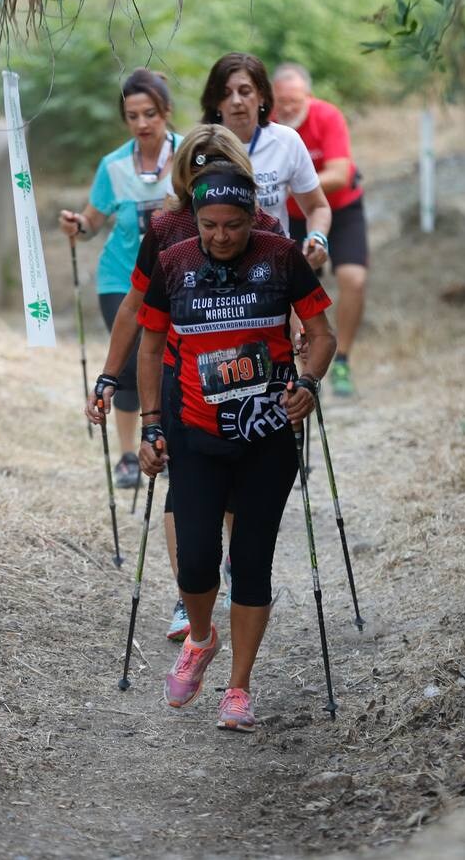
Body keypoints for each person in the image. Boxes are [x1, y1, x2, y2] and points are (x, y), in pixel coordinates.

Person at [135, 164, 336, 732]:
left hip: (266, 436)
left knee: (252, 562)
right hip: (196, 433)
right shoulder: (174, 263)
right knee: (195, 562)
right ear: (194, 219)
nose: (221, 236)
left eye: (233, 225)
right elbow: (150, 349)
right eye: (209, 225)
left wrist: (309, 383)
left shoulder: (280, 256)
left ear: (254, 216)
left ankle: (238, 689)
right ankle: (201, 640)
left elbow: (323, 335)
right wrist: (152, 425)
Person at [85, 124, 283, 641]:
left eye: (219, 167)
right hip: (182, 374)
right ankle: (188, 592)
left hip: (251, 377)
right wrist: (111, 372)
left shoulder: (262, 225)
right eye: (198, 168)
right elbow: (134, 304)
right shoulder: (168, 226)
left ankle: (237, 577)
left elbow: (291, 298)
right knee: (184, 484)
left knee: (238, 490)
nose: (209, 179)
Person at [59, 68, 180, 490]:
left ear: (166, 111)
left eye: (150, 113)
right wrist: (79, 225)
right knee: (128, 361)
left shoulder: (188, 156)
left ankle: (166, 441)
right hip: (121, 279)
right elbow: (94, 220)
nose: (143, 123)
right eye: (133, 116)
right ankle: (129, 455)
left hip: (177, 277)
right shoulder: (113, 165)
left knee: (168, 361)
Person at [273, 62, 369, 398]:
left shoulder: (327, 117)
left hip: (340, 208)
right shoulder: (266, 124)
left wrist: (293, 183)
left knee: (353, 279)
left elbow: (340, 173)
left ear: (308, 97)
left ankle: (342, 359)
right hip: (292, 217)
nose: (287, 108)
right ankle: (301, 369)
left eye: (295, 101)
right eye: (281, 101)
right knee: (290, 294)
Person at [198, 53, 332, 266]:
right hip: (213, 275)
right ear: (215, 101)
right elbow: (173, 213)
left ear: (261, 96)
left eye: (245, 91)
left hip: (274, 270)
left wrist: (317, 238)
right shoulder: (198, 147)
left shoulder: (286, 141)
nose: (236, 101)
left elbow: (317, 207)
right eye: (225, 93)